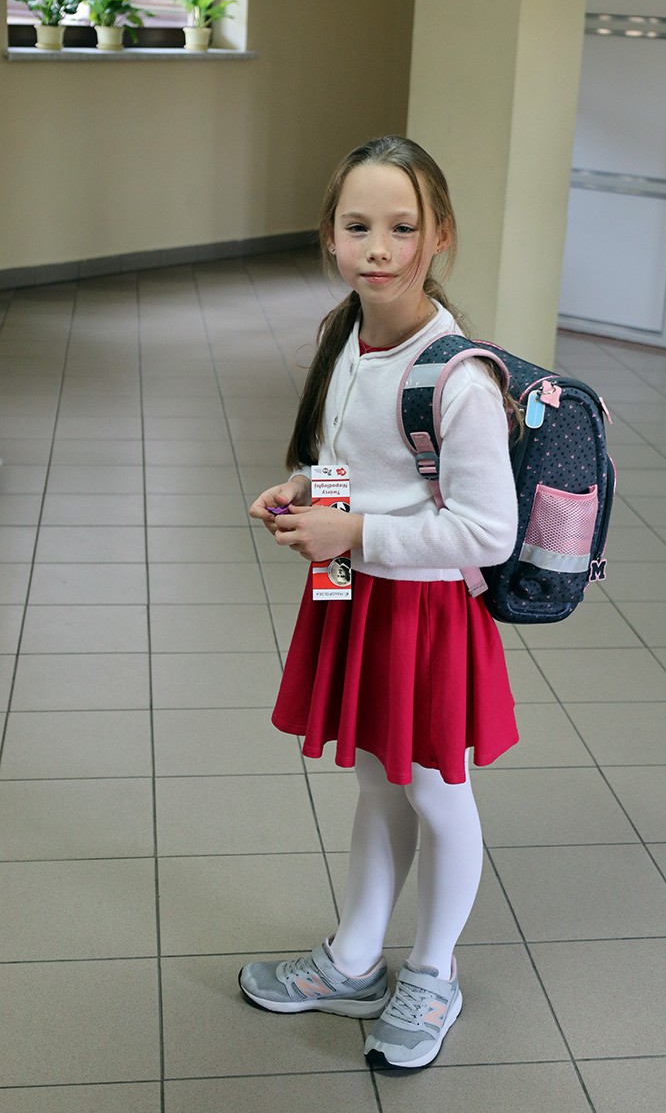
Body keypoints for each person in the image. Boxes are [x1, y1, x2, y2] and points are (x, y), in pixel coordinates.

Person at [240, 135, 519, 1070]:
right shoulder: (344, 337)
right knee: (375, 782)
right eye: (358, 226)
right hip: (357, 595)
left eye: (403, 228)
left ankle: (433, 973)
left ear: (440, 236)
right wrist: (302, 492)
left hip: (423, 614)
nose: (379, 249)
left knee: (436, 790)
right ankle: (355, 959)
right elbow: (347, 460)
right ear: (330, 234)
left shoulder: (459, 376)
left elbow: (488, 533)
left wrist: (354, 532)